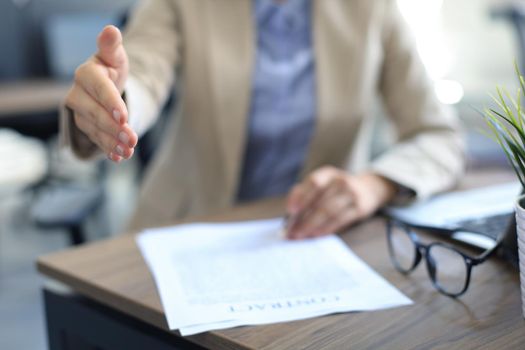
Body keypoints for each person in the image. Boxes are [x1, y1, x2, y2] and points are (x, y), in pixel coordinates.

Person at [61, 0, 464, 238]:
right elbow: (145, 71)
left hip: (314, 238)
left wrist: (374, 185)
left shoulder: (373, 9)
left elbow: (438, 135)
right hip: (185, 227)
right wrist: (115, 102)